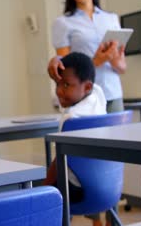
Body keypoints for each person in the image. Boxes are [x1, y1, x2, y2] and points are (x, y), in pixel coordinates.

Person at [47, 0, 126, 113]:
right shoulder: (62, 23)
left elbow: (122, 68)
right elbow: (65, 71)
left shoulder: (112, 19)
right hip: (84, 98)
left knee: (118, 136)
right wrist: (97, 61)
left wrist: (112, 59)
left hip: (113, 94)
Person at [44, 52, 107, 225]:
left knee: (36, 187)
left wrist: (44, 186)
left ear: (87, 87)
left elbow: (59, 162)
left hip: (78, 191)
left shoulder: (71, 119)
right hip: (107, 187)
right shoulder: (98, 97)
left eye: (66, 85)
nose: (59, 91)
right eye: (57, 84)